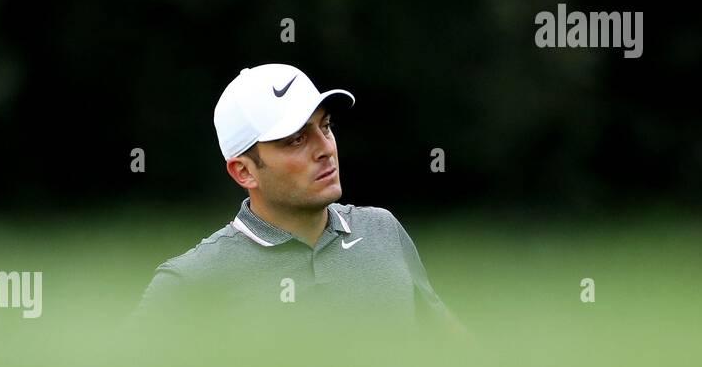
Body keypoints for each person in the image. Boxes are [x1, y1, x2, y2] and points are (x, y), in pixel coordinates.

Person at [133, 63, 464, 336]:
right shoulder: (191, 279)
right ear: (244, 172)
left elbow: (457, 357)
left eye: (326, 126)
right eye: (296, 140)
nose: (325, 148)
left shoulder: (382, 229)